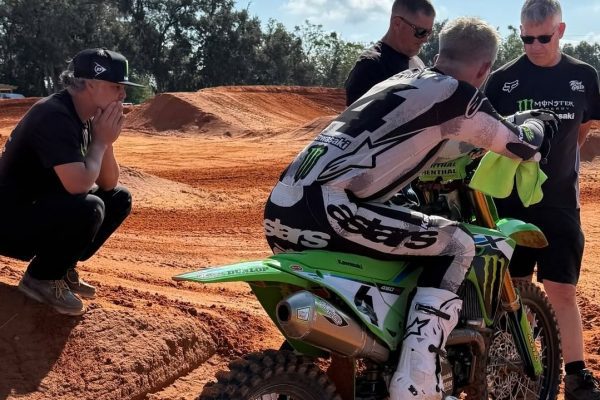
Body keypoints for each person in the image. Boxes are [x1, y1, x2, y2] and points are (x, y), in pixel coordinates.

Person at [264, 17, 559, 400]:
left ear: (440, 52)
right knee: (458, 245)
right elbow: (520, 145)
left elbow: (443, 140)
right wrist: (538, 125)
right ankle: (417, 377)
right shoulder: (457, 94)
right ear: (485, 68)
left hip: (282, 208)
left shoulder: (402, 80)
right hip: (331, 211)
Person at [483, 1, 600, 398]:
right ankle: (514, 372)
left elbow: (582, 129)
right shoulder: (503, 80)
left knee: (562, 289)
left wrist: (557, 161)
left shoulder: (583, 76)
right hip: (512, 206)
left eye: (543, 38)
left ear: (561, 31)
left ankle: (577, 375)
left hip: (561, 203)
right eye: (526, 38)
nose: (534, 46)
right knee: (514, 290)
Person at [0, 48, 141, 316]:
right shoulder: (54, 115)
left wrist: (105, 141)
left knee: (119, 198)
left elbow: (108, 183)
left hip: (34, 210)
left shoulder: (84, 116)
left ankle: (61, 267)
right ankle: (41, 278)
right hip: (7, 223)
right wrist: (100, 142)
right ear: (91, 84)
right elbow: (79, 185)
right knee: (89, 207)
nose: (123, 94)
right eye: (116, 86)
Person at [344, 0, 435, 106]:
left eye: (429, 32)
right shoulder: (370, 66)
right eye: (421, 32)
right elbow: (350, 115)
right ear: (397, 24)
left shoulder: (418, 63)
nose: (425, 39)